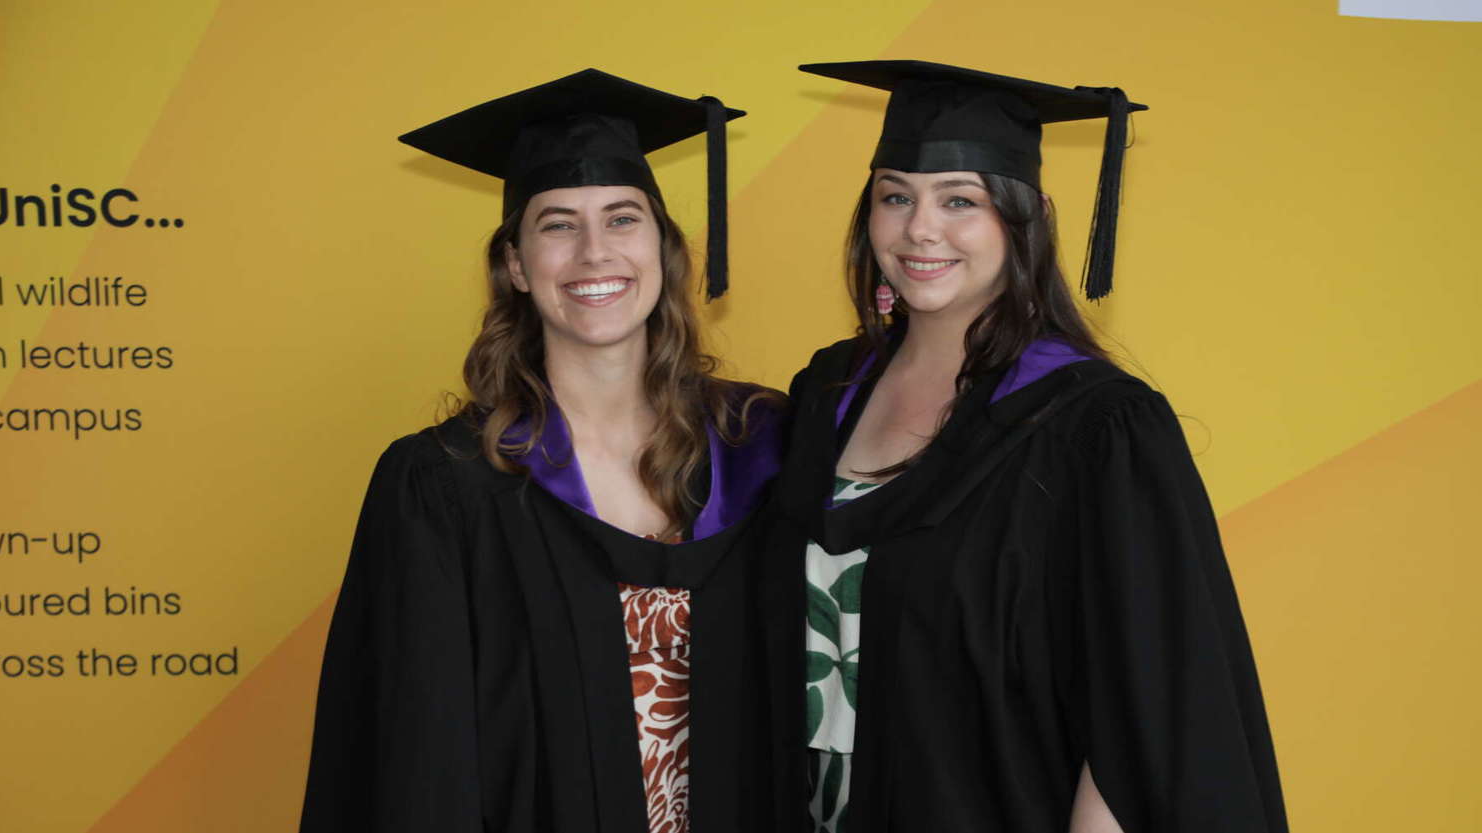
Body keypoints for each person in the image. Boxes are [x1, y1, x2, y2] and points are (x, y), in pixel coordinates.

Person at [761, 61, 1287, 832]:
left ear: (1025, 217)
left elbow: (1145, 702)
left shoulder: (1094, 429)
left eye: (960, 200)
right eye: (895, 196)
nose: (919, 229)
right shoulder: (826, 392)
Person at [300, 69, 784, 833]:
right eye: (558, 224)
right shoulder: (444, 485)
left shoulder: (760, 444)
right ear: (517, 266)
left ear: (664, 248)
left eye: (623, 219)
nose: (595, 252)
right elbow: (416, 761)